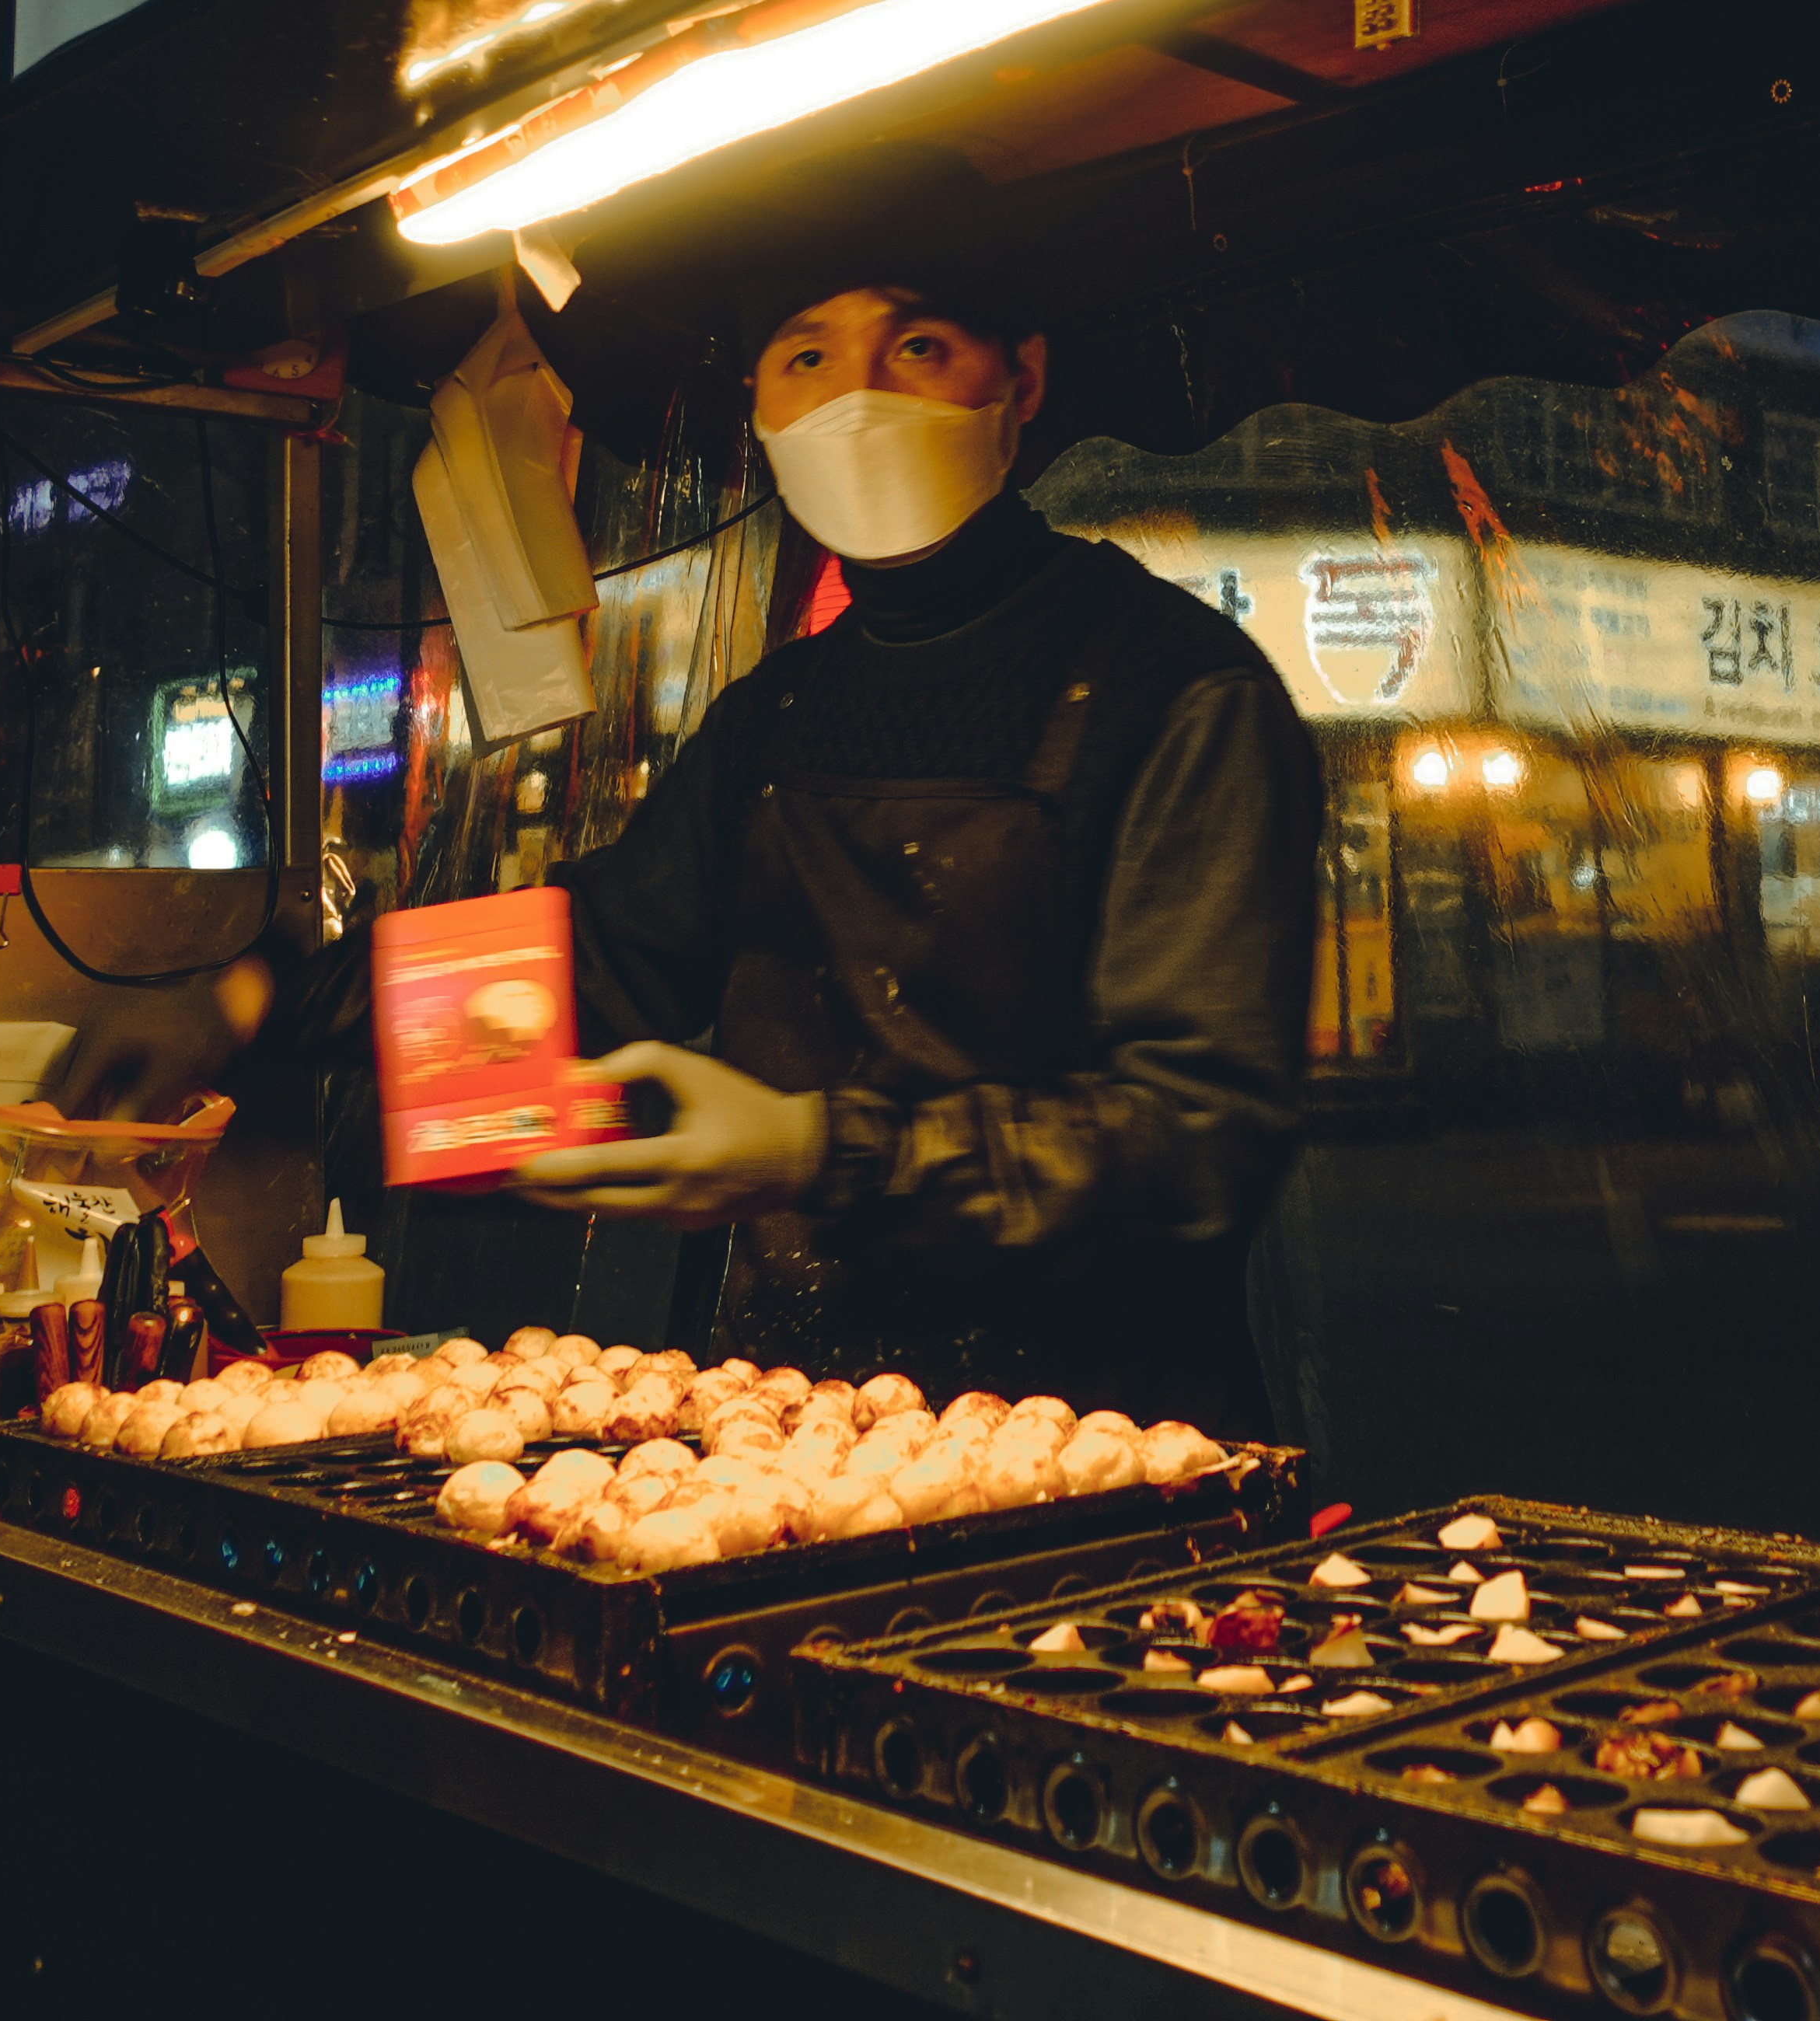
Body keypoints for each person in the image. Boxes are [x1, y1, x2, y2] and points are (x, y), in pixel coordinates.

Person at [506, 185, 1322, 1427]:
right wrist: (259, 996)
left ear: (1025, 382)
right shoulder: (777, 714)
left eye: (921, 348)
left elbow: (1193, 1141)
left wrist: (811, 1151)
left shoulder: (1179, 689)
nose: (857, 399)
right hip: (788, 1429)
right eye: (806, 357)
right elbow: (600, 962)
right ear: (763, 411)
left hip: (1103, 1449)